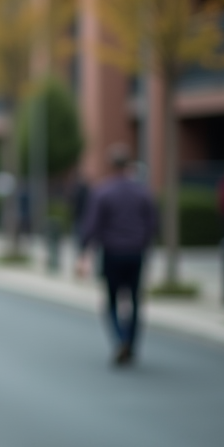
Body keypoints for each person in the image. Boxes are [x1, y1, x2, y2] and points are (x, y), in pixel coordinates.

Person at [77, 144, 158, 366]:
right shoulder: (142, 191)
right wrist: (144, 245)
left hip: (112, 252)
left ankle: (120, 339)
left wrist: (83, 253)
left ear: (111, 166)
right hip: (135, 252)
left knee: (112, 301)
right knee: (134, 300)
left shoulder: (102, 191)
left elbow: (91, 225)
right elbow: (152, 223)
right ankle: (130, 342)